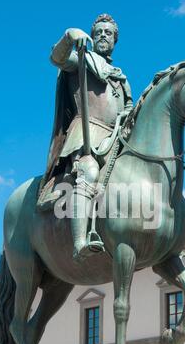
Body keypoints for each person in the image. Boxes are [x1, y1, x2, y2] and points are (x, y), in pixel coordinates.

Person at [41, 14, 133, 260]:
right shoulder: (80, 60)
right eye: (99, 32)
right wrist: (70, 35)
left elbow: (128, 108)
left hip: (115, 140)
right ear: (92, 37)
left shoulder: (120, 77)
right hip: (86, 135)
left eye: (108, 33)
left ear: (115, 40)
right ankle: (80, 241)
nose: (103, 35)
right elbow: (56, 58)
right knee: (89, 171)